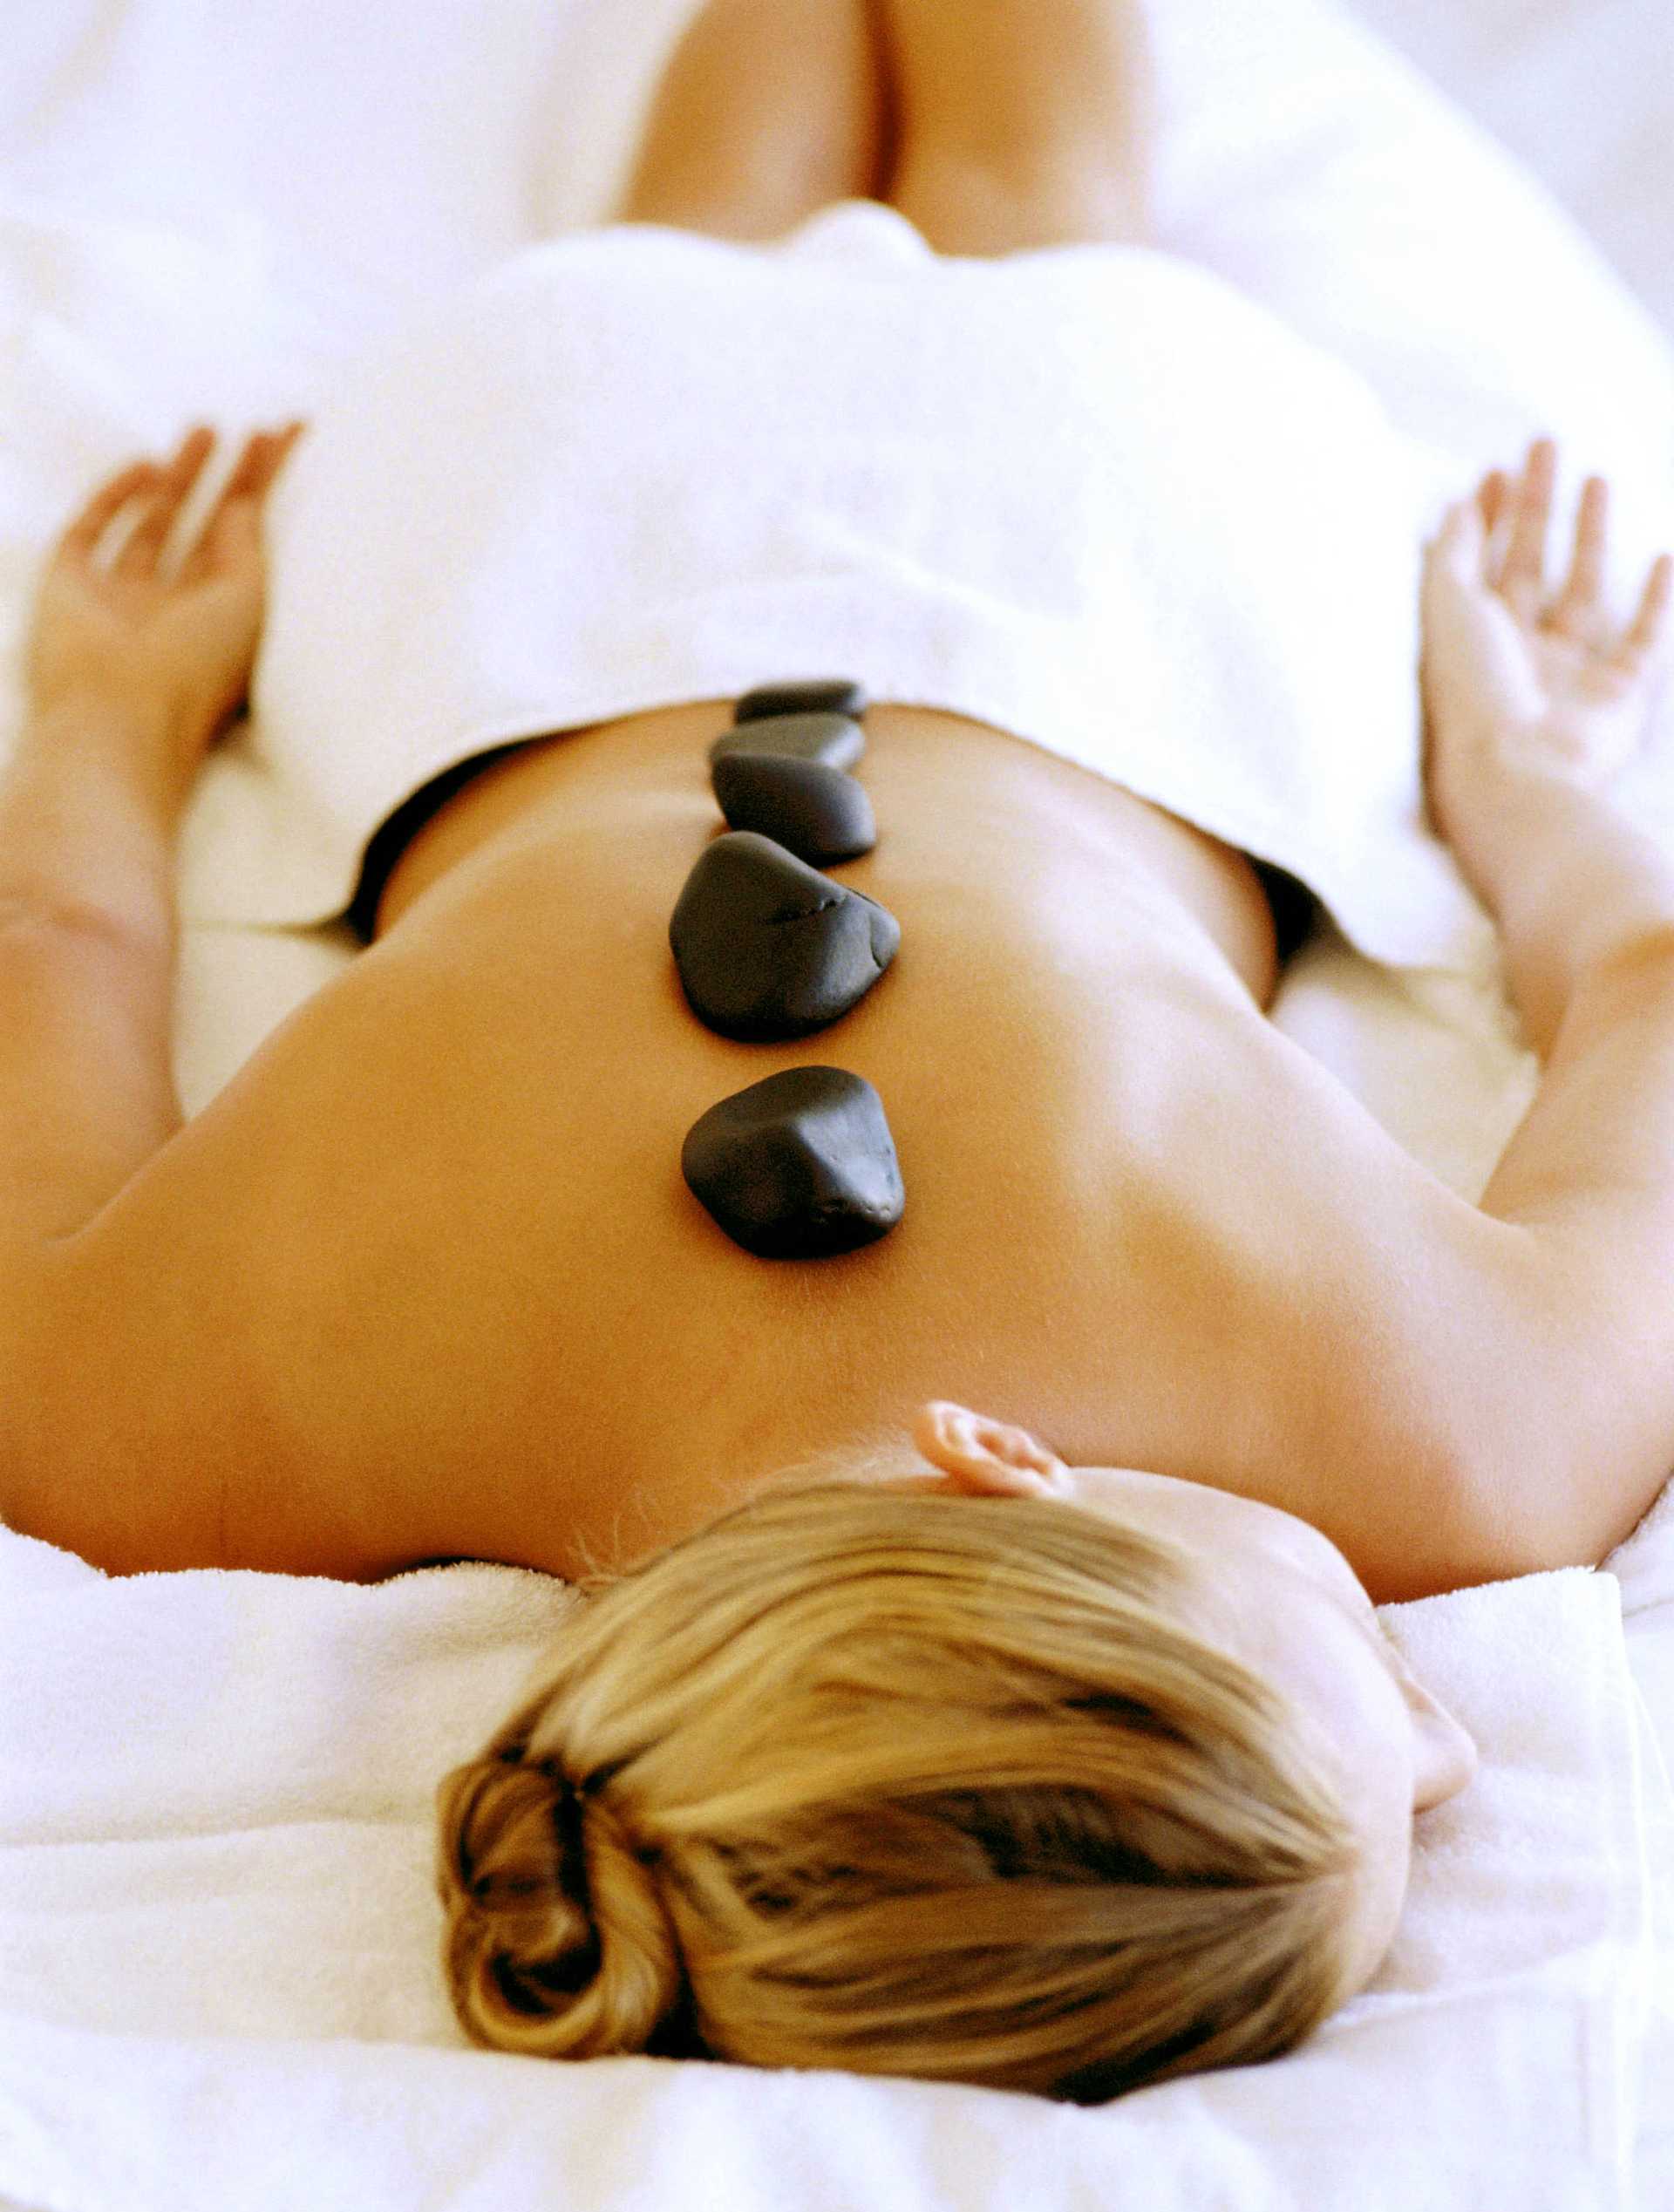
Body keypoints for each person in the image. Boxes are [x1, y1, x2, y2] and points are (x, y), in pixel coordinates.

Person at [2, 0, 1671, 2101]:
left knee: (1046, 188)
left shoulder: (1474, 1433)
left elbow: (1651, 990)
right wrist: (113, 715)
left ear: (1005, 1464)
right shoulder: (139, 1435)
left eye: (1382, 1701)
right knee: (702, 209)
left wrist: (1539, 789)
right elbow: (54, 939)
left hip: (1107, 565)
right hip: (530, 541)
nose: (1451, 1736)